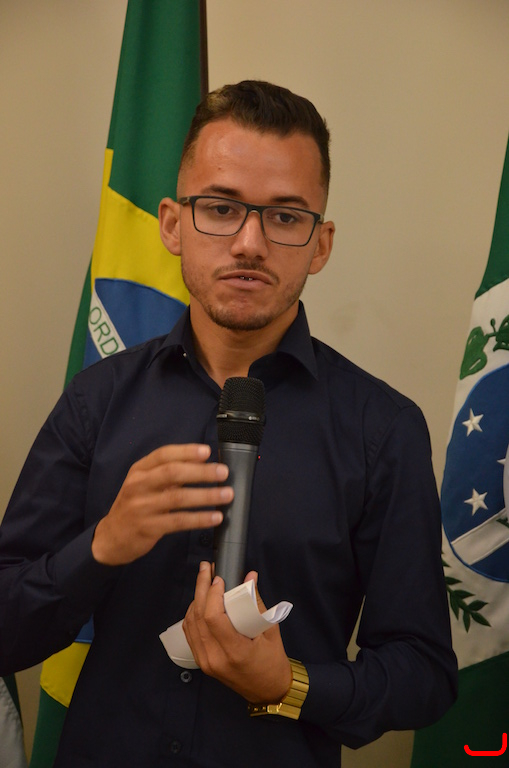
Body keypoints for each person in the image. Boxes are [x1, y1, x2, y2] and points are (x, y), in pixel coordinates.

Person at [0, 81, 457, 767]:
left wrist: (289, 684)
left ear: (320, 243)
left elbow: (424, 677)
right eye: (220, 208)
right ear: (171, 224)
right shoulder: (98, 399)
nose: (249, 243)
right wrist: (102, 545)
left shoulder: (382, 429)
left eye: (285, 217)